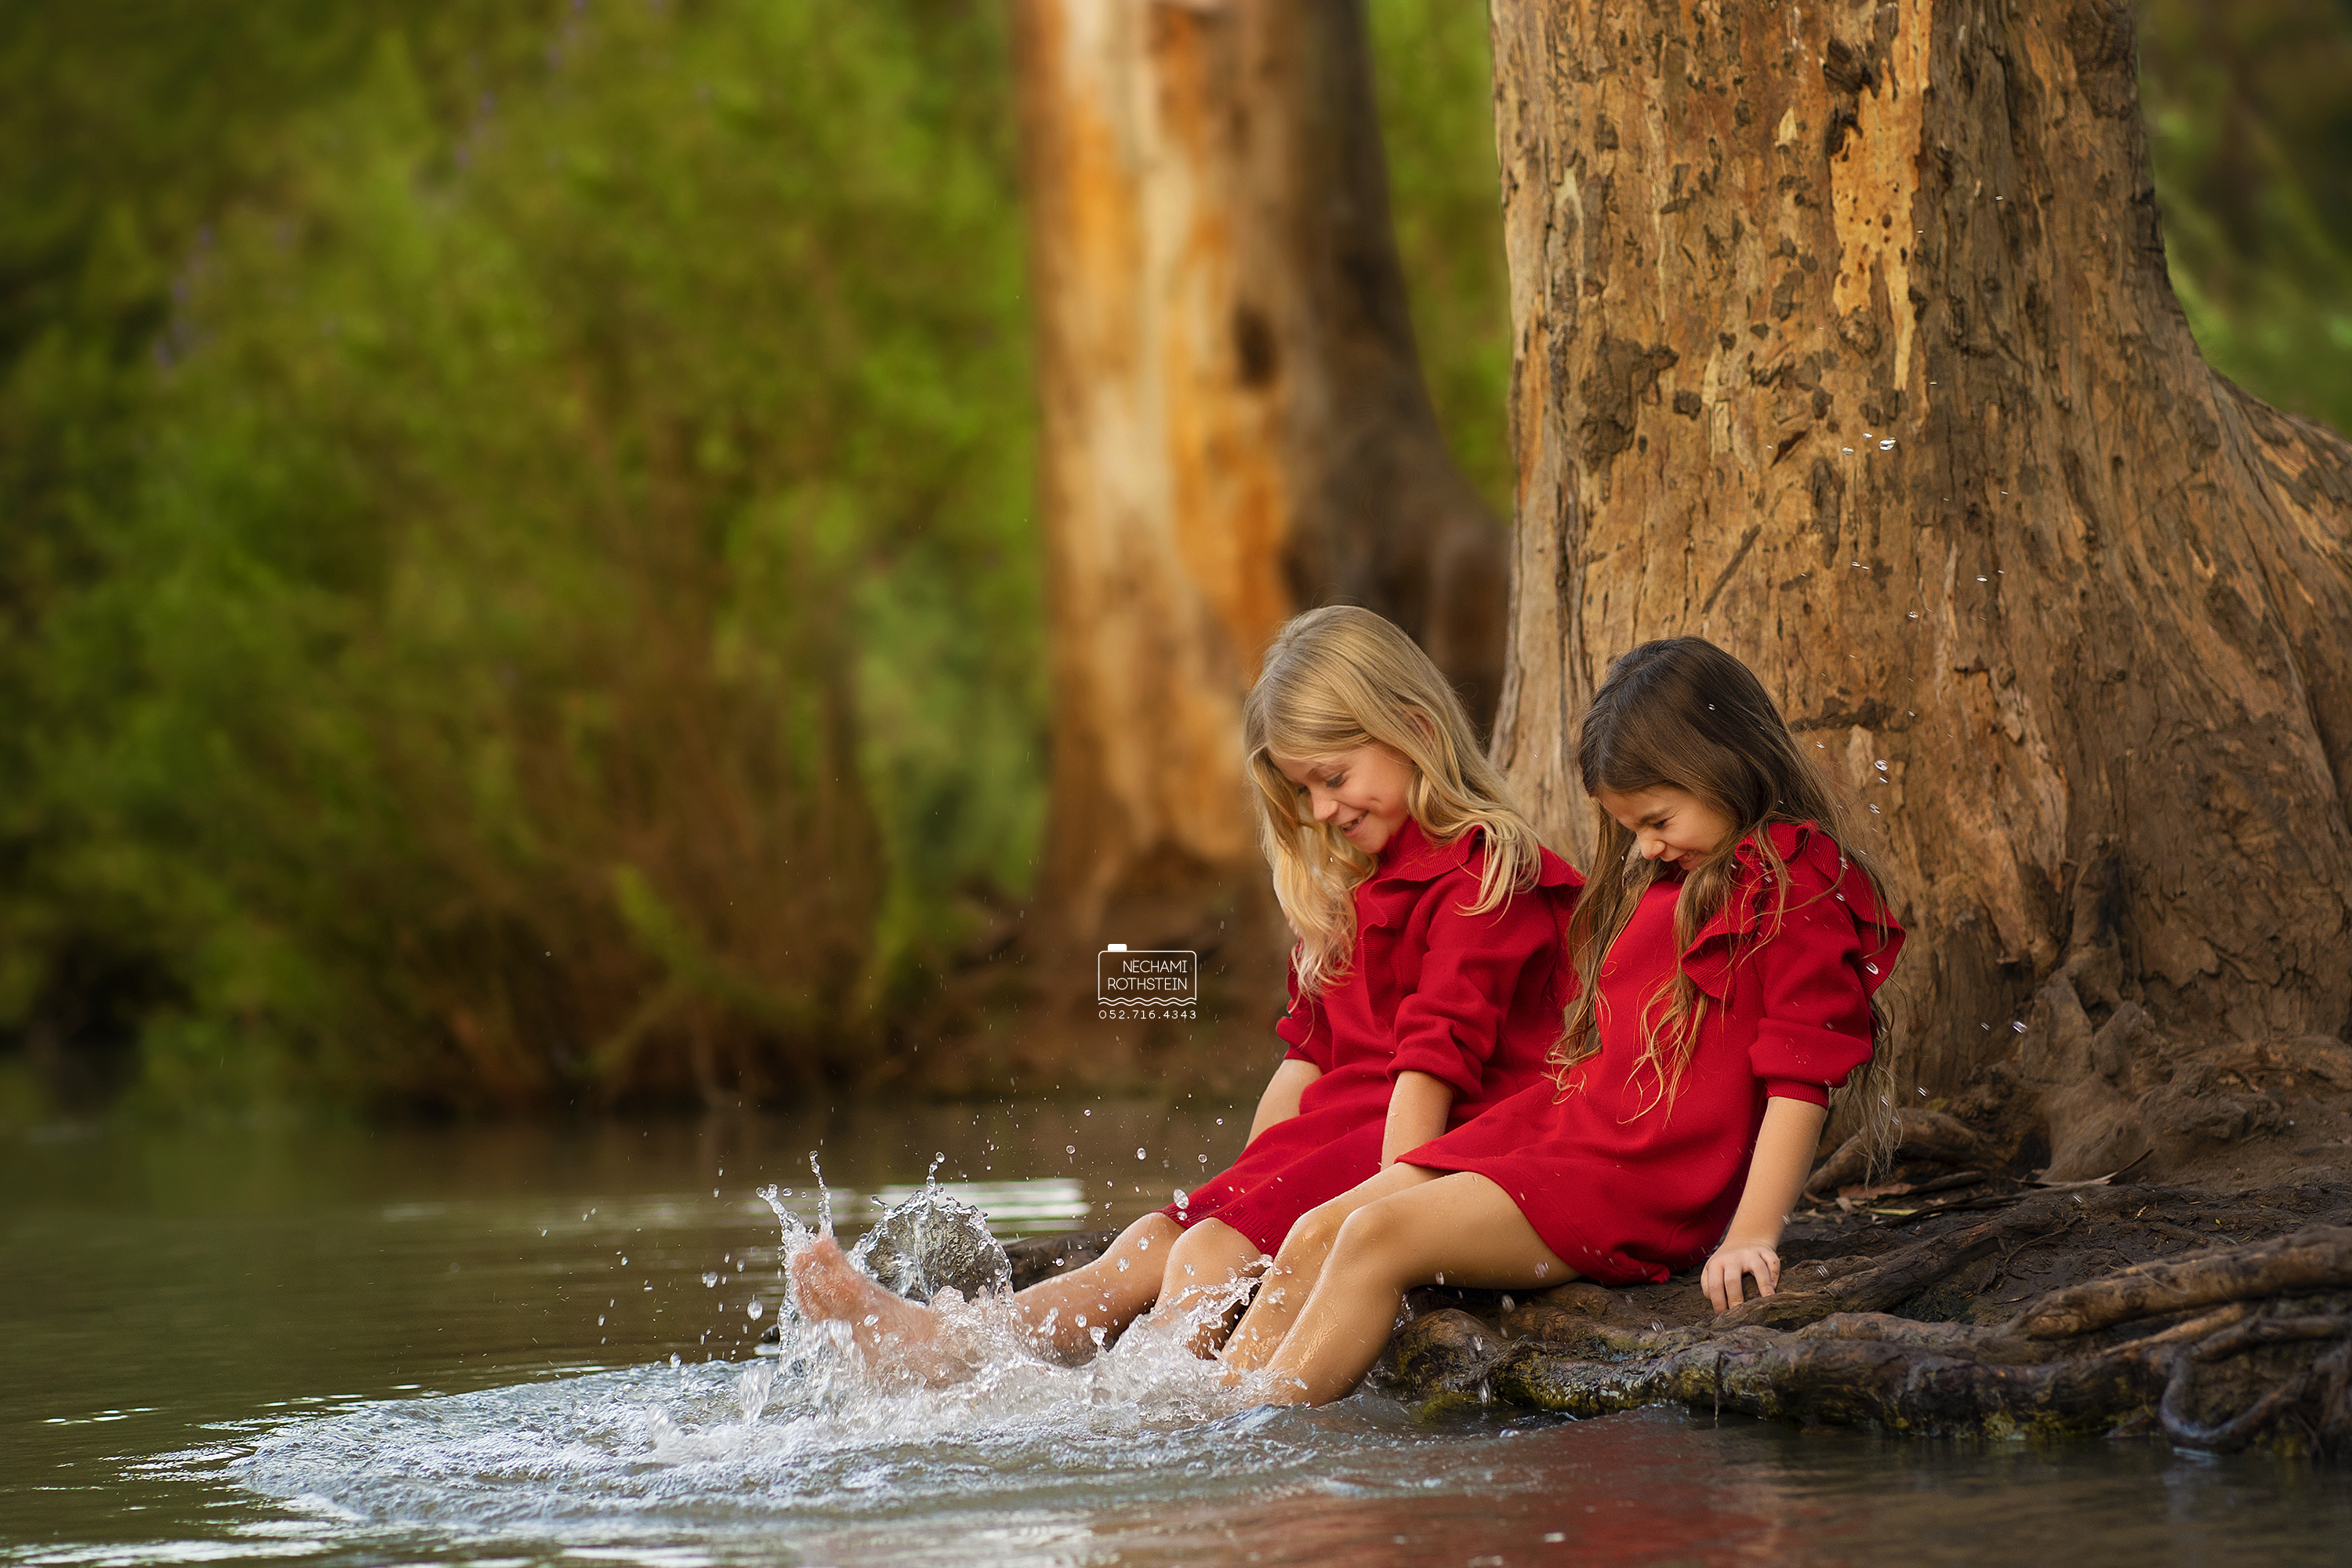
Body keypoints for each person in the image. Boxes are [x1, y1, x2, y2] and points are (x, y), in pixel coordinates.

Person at [789, 604, 1583, 1379]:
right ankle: (955, 1344)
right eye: (1304, 792)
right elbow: (1306, 1064)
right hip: (1359, 1127)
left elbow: (1432, 1072)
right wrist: (1244, 1191)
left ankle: (1150, 1413)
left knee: (1206, 1251)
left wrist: (1334, 1220)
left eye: (1333, 778)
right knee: (1155, 1236)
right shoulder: (1353, 890)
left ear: (1415, 727)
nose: (1323, 809)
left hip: (1439, 1133)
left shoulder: (1482, 874)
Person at [1221, 636, 1903, 1405]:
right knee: (1321, 1227)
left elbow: (1799, 1080)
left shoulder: (1792, 883)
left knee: (1375, 1238)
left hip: (1635, 1182)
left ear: (1725, 766)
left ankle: (1256, 1437)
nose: (1644, 846)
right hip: (1557, 1134)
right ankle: (1205, 1411)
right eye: (1631, 825)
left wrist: (1750, 1234)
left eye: (1656, 818)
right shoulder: (1679, 872)